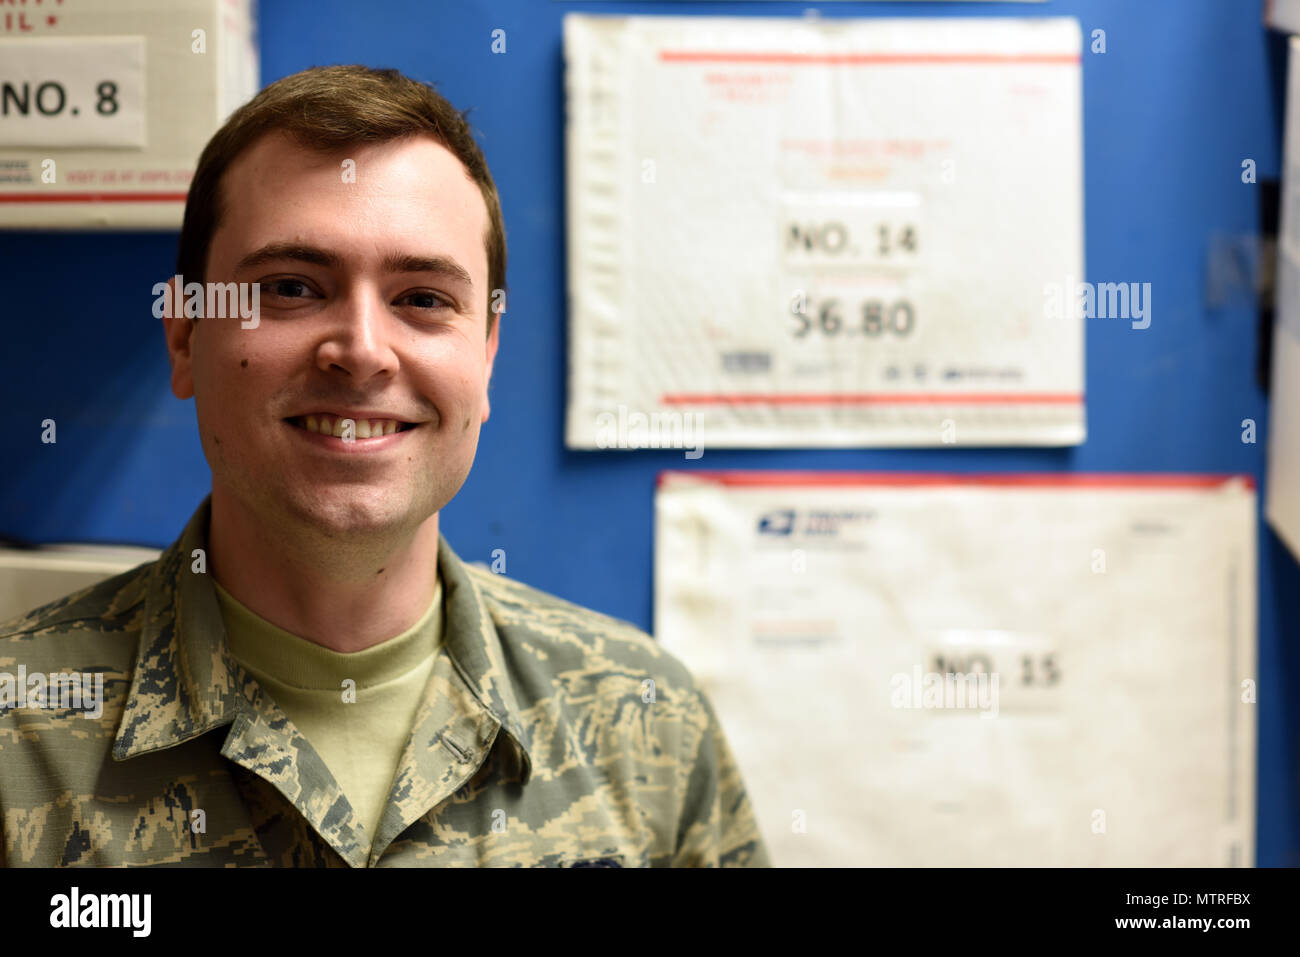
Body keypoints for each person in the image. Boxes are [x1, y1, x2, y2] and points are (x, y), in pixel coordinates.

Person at [0, 65, 771, 868]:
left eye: (424, 299)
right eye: (293, 287)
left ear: (487, 354)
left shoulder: (646, 727)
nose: (363, 351)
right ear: (186, 335)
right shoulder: (15, 735)